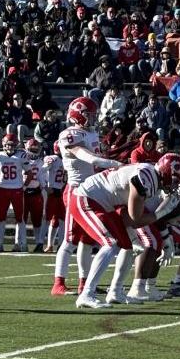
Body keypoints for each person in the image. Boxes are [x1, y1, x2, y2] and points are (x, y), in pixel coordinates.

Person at [69, 155, 180, 309]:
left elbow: (130, 217)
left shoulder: (152, 177)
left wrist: (163, 233)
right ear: (166, 172)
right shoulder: (146, 177)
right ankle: (86, 293)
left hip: (106, 204)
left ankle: (115, 292)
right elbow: (136, 219)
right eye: (175, 180)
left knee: (129, 245)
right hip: (86, 198)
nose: (175, 185)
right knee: (110, 244)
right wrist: (162, 212)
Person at [50, 97, 121, 295]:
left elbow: (95, 163)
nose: (93, 118)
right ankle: (58, 283)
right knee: (70, 239)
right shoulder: (69, 134)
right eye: (88, 115)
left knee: (87, 241)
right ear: (77, 115)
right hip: (76, 189)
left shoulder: (92, 134)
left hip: (92, 190)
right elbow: (84, 156)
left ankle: (85, 283)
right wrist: (110, 163)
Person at [0, 134, 26, 252]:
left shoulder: (21, 155)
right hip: (3, 189)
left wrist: (23, 186)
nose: (9, 147)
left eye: (11, 145)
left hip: (16, 189)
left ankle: (19, 243)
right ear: (3, 144)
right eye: (7, 144)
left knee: (19, 217)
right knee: (1, 217)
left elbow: (29, 173)